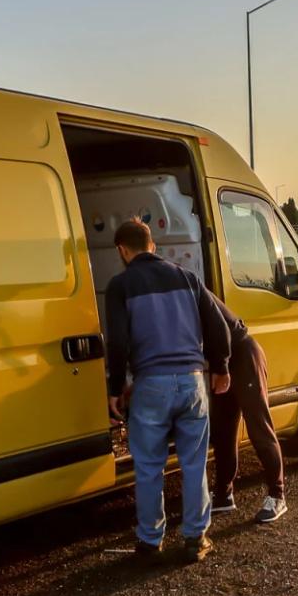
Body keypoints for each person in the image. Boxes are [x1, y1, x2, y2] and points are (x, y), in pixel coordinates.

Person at [105, 218, 230, 563]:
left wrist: (115, 388)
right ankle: (195, 539)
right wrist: (220, 367)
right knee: (193, 463)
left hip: (152, 385)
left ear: (122, 250)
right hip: (192, 382)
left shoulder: (120, 285)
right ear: (152, 246)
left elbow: (118, 342)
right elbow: (219, 326)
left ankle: (149, 541)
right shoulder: (186, 277)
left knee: (148, 467)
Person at [201, 288, 287, 524]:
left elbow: (222, 332)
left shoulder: (188, 289)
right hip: (222, 362)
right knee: (223, 430)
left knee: (258, 426)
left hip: (242, 354)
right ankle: (224, 494)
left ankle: (277, 495)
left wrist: (222, 368)